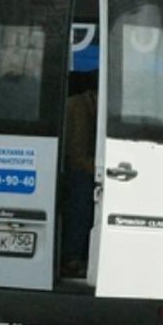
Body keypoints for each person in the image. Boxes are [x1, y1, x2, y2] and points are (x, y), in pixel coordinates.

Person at [61, 73, 97, 278]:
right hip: (75, 170)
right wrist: (100, 171)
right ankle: (72, 258)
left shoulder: (86, 106)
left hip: (81, 166)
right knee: (81, 199)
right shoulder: (77, 108)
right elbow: (76, 155)